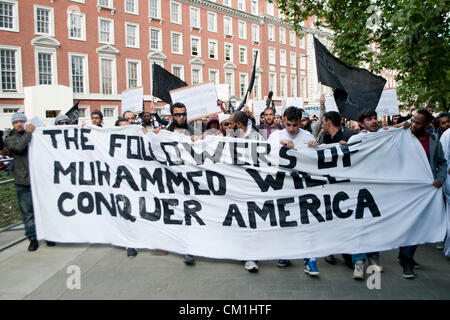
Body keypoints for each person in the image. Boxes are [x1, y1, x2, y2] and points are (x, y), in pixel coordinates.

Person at [267, 107, 320, 276]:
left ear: (300, 122)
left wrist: (314, 148)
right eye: (288, 124)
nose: (291, 129)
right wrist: (279, 146)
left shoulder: (308, 137)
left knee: (307, 223)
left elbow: (317, 162)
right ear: (283, 120)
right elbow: (265, 156)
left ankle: (310, 259)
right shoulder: (275, 137)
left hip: (303, 187)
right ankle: (285, 253)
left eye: (294, 125)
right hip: (283, 187)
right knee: (285, 222)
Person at [398, 109, 447, 279]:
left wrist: (440, 178)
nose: (413, 124)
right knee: (409, 226)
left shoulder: (433, 140)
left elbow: (442, 162)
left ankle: (407, 257)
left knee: (420, 226)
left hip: (427, 192)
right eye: (413, 120)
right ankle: (405, 261)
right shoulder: (403, 137)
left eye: (418, 122)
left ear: (427, 125)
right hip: (407, 191)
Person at [345, 109, 385, 279]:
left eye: (375, 118)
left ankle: (374, 258)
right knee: (359, 224)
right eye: (369, 119)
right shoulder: (355, 139)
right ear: (361, 123)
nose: (374, 121)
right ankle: (358, 262)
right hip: (359, 188)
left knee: (375, 223)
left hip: (378, 186)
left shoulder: (385, 135)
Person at [4, 113, 40, 251]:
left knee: (42, 209)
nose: (19, 124)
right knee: (27, 212)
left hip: (38, 179)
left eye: (21, 121)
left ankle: (48, 235)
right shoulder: (10, 139)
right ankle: (32, 238)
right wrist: (29, 133)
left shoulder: (35, 135)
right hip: (23, 181)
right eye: (16, 122)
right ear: (13, 124)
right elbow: (18, 148)